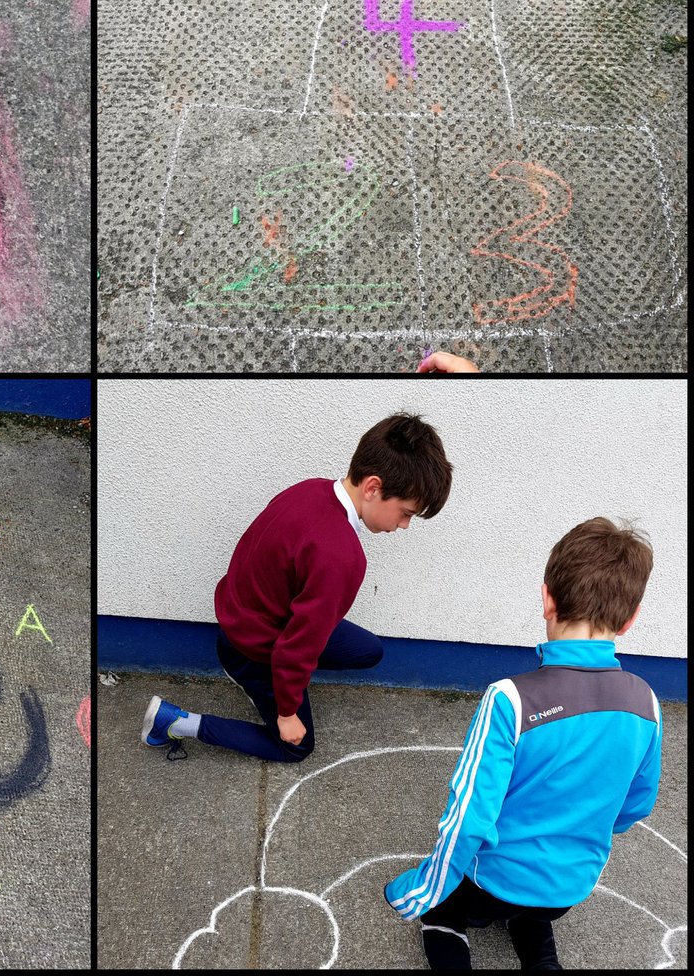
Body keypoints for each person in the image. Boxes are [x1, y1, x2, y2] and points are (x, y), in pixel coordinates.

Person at [384, 517, 659, 971]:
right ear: (629, 620)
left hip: (493, 884)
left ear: (547, 597)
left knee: (445, 914)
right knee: (534, 914)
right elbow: (635, 807)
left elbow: (468, 819)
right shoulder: (646, 702)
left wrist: (420, 888)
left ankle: (461, 920)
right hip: (569, 889)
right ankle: (536, 940)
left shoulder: (510, 699)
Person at [141, 412, 452, 761]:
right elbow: (298, 646)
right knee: (295, 748)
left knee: (368, 651)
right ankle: (174, 721)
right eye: (406, 512)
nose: (405, 525)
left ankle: (276, 687)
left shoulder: (311, 490)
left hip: (249, 617)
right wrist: (287, 712)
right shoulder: (341, 557)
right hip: (250, 648)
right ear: (373, 488)